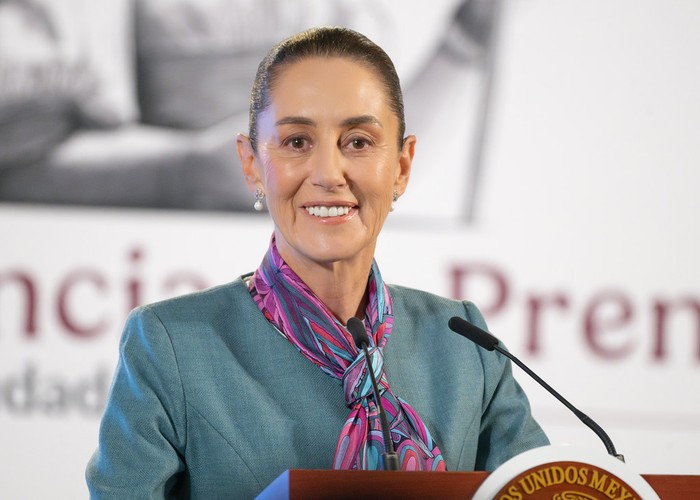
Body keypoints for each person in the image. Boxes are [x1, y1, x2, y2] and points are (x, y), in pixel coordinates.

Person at [86, 26, 548, 498]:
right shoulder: (170, 347)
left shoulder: (465, 346)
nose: (328, 174)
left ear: (403, 167)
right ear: (251, 165)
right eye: (297, 142)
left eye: (359, 142)